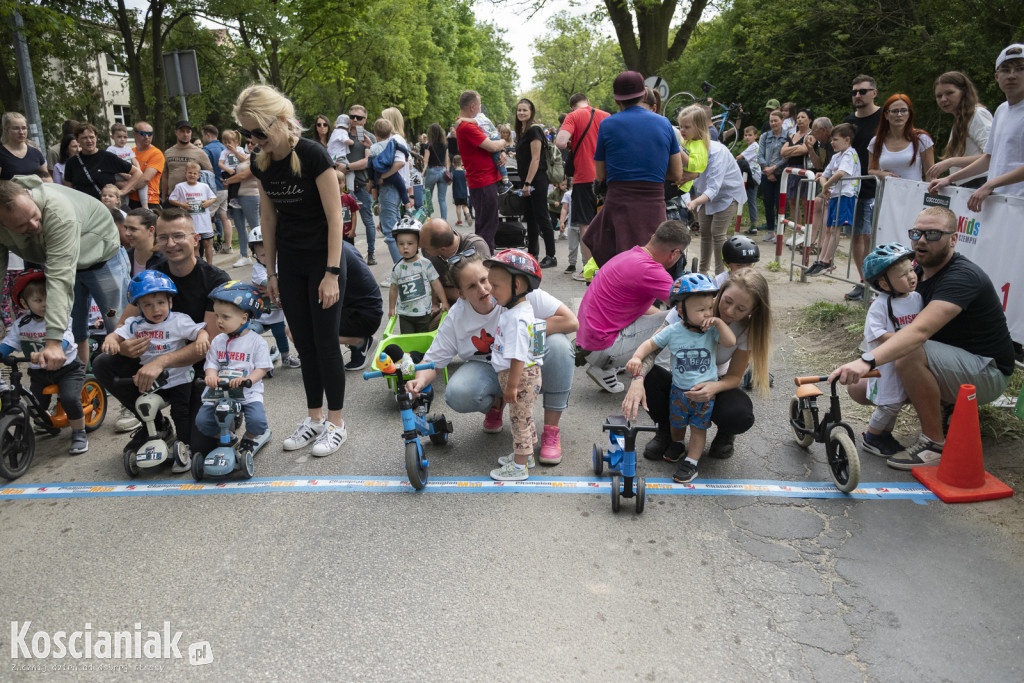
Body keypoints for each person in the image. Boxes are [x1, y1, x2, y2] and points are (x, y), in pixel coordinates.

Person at [830, 207, 1014, 470]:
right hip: (950, 361)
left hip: (987, 371)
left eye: (933, 233)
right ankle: (942, 409)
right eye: (916, 233)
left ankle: (933, 443)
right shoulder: (913, 272)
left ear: (953, 239)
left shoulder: (962, 276)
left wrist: (866, 361)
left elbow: (918, 332)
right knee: (859, 388)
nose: (922, 240)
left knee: (908, 352)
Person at [234, 84, 347, 457]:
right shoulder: (261, 162)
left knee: (326, 343)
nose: (253, 140)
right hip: (291, 263)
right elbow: (268, 216)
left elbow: (336, 217)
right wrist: (270, 270)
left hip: (323, 260)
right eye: (246, 133)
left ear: (279, 122)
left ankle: (336, 423)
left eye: (259, 132)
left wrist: (331, 272)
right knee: (304, 343)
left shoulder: (313, 154)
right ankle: (313, 418)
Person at [406, 250, 577, 464]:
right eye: (471, 286)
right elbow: (434, 360)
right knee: (457, 393)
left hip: (526, 366)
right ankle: (497, 404)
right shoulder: (456, 317)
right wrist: (419, 380)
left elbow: (571, 321)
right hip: (489, 369)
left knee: (560, 346)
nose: (484, 289)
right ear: (460, 294)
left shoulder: (520, 291)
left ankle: (551, 430)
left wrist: (524, 334)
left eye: (485, 280)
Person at [93, 208, 228, 457]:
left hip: (202, 368)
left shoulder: (215, 280)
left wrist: (159, 363)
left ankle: (224, 409)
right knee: (103, 362)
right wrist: (122, 345)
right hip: (157, 357)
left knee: (200, 446)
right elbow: (124, 324)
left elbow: (206, 344)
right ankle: (155, 425)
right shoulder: (152, 276)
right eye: (164, 237)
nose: (171, 243)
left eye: (179, 236)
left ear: (195, 239)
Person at [624, 268, 773, 461]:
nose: (729, 311)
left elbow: (735, 377)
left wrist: (714, 387)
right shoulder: (690, 307)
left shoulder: (746, 329)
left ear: (752, 311)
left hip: (715, 382)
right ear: (720, 291)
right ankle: (665, 430)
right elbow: (652, 348)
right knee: (651, 378)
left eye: (741, 309)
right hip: (681, 380)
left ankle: (725, 434)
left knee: (739, 413)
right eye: (727, 301)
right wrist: (637, 380)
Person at [0, 175, 128, 367]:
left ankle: (129, 380)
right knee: (74, 330)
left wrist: (52, 342)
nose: (35, 226)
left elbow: (59, 278)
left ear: (28, 195)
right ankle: (79, 380)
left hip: (103, 259)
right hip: (63, 262)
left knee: (119, 326)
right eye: (22, 226)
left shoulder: (58, 213)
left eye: (34, 215)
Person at [626, 273, 736, 482]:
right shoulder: (673, 330)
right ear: (680, 310)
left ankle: (692, 462)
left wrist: (719, 323)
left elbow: (729, 342)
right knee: (676, 422)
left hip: (704, 394)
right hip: (678, 390)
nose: (707, 314)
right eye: (701, 310)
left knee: (698, 428)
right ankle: (677, 444)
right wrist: (637, 357)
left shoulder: (711, 331)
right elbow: (651, 344)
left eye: (710, 308)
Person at [108, 270, 211, 471]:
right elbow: (118, 333)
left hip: (180, 377)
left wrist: (201, 337)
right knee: (145, 408)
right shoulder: (135, 324)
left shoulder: (178, 320)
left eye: (161, 303)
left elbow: (200, 330)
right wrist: (112, 340)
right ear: (138, 307)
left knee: (180, 412)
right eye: (148, 305)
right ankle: (156, 435)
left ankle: (184, 446)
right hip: (154, 381)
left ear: (170, 303)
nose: (156, 309)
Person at [576, 220, 689, 393]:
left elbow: (642, 310)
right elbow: (688, 306)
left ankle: (605, 368)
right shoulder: (652, 270)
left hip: (589, 342)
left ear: (653, 237)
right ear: (675, 254)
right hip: (603, 347)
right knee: (677, 322)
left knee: (664, 317)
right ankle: (661, 378)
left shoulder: (630, 255)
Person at [584, 71, 683, 267]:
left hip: (619, 204)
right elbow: (677, 173)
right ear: (645, 95)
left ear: (616, 99)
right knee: (650, 262)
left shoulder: (607, 125)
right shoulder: (664, 124)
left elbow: (601, 174)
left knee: (620, 263)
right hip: (653, 205)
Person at [847, 243, 922, 457]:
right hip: (886, 366)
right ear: (884, 284)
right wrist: (907, 339)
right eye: (903, 275)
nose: (911, 276)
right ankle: (872, 437)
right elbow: (877, 334)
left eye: (911, 270)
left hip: (906, 363)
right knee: (889, 405)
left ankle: (884, 435)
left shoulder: (917, 299)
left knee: (896, 404)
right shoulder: (880, 305)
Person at [0, 270, 87, 454]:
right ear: (24, 303)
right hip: (39, 373)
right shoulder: (21, 324)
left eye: (49, 298)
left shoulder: (59, 318)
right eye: (38, 300)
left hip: (67, 369)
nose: (45, 304)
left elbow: (66, 339)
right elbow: (9, 343)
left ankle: (79, 432)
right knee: (35, 404)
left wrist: (53, 351)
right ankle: (48, 423)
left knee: (70, 398)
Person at [929, 44, 1024, 208]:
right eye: (1005, 70)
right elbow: (988, 158)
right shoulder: (1002, 111)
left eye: (1020, 69)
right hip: (999, 201)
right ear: (996, 76)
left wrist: (989, 184)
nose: (1011, 76)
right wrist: (949, 179)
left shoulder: (978, 113)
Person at [483, 249, 545, 481]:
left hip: (520, 377)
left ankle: (519, 468)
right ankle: (526, 456)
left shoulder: (518, 319)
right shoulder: (517, 311)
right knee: (525, 417)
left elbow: (518, 356)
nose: (490, 290)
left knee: (518, 421)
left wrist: (510, 386)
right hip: (525, 376)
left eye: (495, 286)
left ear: (517, 286)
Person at [196, 281, 273, 462]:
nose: (219, 321)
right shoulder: (218, 341)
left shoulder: (256, 342)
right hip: (219, 392)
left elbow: (262, 367)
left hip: (247, 391)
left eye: (225, 317)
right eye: (217, 316)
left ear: (244, 318)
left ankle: (249, 439)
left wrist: (248, 380)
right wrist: (210, 375)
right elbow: (211, 363)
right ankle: (228, 438)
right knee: (203, 422)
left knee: (258, 423)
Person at [683, 107, 747, 276]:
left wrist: (695, 201)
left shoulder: (716, 151)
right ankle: (703, 273)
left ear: (699, 128)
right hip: (707, 195)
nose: (682, 130)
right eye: (680, 126)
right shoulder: (689, 146)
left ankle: (720, 275)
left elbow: (714, 187)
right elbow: (695, 173)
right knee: (705, 233)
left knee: (718, 234)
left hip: (727, 194)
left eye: (687, 127)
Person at [555, 93, 610, 263]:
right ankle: (607, 265)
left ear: (572, 107)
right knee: (606, 223)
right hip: (607, 177)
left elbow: (560, 142)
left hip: (584, 177)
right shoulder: (606, 116)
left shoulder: (572, 116)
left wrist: (572, 142)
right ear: (588, 102)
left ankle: (589, 269)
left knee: (585, 224)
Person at [843, 75, 883, 301]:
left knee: (874, 237)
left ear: (874, 92)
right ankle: (863, 282)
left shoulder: (884, 118)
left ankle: (880, 283)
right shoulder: (849, 122)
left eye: (863, 91)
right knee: (857, 238)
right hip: (854, 189)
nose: (858, 95)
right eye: (854, 92)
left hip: (879, 186)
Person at [455, 91, 507, 250]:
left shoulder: (468, 123)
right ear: (472, 106)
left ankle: (484, 261)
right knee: (487, 226)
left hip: (485, 180)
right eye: (479, 104)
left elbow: (492, 144)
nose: (480, 108)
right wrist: (504, 142)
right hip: (483, 181)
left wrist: (502, 152)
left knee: (488, 224)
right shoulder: (467, 126)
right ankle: (485, 263)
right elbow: (492, 145)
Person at [806, 123, 860, 276]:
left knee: (835, 228)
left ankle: (827, 260)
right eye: (832, 139)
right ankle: (822, 259)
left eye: (836, 139)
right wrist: (825, 187)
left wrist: (826, 185)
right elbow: (824, 174)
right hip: (835, 194)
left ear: (847, 140)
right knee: (829, 228)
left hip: (846, 195)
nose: (832, 142)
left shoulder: (850, 154)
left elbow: (840, 173)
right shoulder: (836, 156)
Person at [926, 72, 993, 188]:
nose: (943, 99)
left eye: (949, 93)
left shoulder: (977, 115)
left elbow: (992, 155)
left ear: (964, 92)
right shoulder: (959, 120)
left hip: (981, 184)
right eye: (939, 96)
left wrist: (951, 161)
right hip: (966, 186)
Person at [247, 225, 300, 369]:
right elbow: (268, 282)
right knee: (252, 333)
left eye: (271, 253)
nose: (267, 258)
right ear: (255, 254)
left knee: (281, 335)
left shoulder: (280, 265)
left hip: (276, 314)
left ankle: (285, 356)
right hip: (260, 315)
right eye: (263, 255)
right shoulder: (257, 269)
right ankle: (253, 359)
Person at [514, 98, 558, 268]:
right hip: (527, 181)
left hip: (536, 180)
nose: (521, 113)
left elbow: (536, 158)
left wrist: (527, 183)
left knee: (542, 217)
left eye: (525, 110)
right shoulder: (523, 131)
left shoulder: (534, 130)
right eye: (519, 110)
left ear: (531, 112)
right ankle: (532, 253)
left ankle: (551, 256)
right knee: (530, 218)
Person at [335, 105, 379, 264]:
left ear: (365, 120)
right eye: (352, 116)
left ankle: (371, 253)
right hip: (341, 188)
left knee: (368, 221)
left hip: (362, 186)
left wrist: (347, 167)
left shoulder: (368, 138)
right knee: (341, 222)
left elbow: (368, 162)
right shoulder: (341, 134)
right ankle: (341, 255)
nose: (354, 120)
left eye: (358, 118)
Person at [389, 219, 448, 334]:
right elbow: (393, 288)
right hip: (405, 315)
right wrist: (392, 308)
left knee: (422, 342)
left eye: (410, 243)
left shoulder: (425, 264)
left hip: (424, 313)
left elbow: (436, 283)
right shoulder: (397, 267)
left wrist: (444, 301)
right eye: (401, 244)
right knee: (408, 342)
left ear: (419, 244)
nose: (405, 247)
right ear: (396, 245)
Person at [419, 217, 490, 304]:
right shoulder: (429, 251)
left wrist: (440, 290)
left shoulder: (475, 246)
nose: (420, 246)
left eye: (425, 247)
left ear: (443, 249)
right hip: (447, 307)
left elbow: (484, 290)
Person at [64, 123, 141, 201]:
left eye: (91, 137)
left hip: (106, 206)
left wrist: (123, 191)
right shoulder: (72, 162)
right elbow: (68, 189)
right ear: (77, 140)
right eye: (84, 138)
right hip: (84, 206)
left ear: (96, 138)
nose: (89, 141)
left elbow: (137, 172)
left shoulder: (108, 157)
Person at [867, 94, 935, 182]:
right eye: (894, 111)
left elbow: (931, 175)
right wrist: (882, 174)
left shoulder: (922, 139)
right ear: (886, 115)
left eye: (903, 110)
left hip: (913, 194)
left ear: (909, 114)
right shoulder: (876, 141)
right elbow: (871, 170)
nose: (899, 115)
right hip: (886, 194)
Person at [338, 243, 384, 371]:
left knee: (305, 330)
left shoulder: (333, 253)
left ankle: (359, 342)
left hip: (363, 317)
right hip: (367, 311)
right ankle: (358, 345)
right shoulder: (342, 245)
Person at [168, 161, 217, 263]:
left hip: (205, 222)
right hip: (190, 222)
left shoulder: (204, 186)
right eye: (190, 173)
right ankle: (198, 266)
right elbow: (171, 199)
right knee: (195, 245)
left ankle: (210, 266)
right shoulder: (180, 186)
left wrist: (208, 202)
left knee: (208, 244)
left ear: (199, 175)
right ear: (185, 174)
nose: (192, 175)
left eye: (195, 173)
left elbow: (213, 197)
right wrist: (182, 205)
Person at [221, 137, 256, 267]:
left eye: (253, 142)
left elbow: (244, 175)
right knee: (240, 227)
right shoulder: (245, 156)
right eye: (248, 142)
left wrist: (227, 181)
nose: (250, 144)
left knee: (255, 227)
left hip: (251, 194)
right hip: (237, 195)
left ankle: (264, 255)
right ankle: (244, 255)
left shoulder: (258, 157)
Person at [161, 120, 213, 205]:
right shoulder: (168, 152)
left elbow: (209, 175)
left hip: (193, 199)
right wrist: (163, 197)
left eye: (188, 132)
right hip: (172, 198)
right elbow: (165, 176)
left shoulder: (199, 153)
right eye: (182, 131)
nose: (185, 134)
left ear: (191, 133)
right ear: (176, 132)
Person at [202, 125, 234, 256]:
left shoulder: (206, 150)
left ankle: (208, 248)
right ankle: (228, 246)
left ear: (208, 135)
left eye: (203, 135)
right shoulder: (225, 147)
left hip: (214, 188)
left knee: (206, 217)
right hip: (226, 187)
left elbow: (206, 170)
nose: (203, 138)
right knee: (224, 217)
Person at [753, 110, 786, 238]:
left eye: (775, 120)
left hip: (781, 174)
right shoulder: (765, 136)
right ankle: (770, 230)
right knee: (768, 202)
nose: (773, 123)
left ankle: (780, 231)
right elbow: (760, 155)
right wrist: (767, 170)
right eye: (771, 121)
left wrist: (774, 168)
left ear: (782, 121)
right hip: (766, 173)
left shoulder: (787, 136)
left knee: (780, 203)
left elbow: (787, 157)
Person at [126, 121, 164, 211]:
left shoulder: (156, 153)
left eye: (150, 134)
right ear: (135, 134)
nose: (147, 137)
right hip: (130, 199)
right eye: (143, 133)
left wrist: (125, 189)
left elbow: (145, 179)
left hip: (149, 200)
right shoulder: (129, 152)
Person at [0, 112, 49, 181]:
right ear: (5, 130)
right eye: (16, 128)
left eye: (24, 128)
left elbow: (48, 181)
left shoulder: (36, 153)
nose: (21, 132)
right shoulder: (1, 154)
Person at [124, 207, 166, 276]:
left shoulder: (165, 260)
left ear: (151, 230)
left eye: (133, 229)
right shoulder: (125, 256)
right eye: (126, 228)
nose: (127, 233)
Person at [422, 123, 450, 221]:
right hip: (442, 171)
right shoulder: (445, 145)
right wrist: (448, 172)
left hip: (432, 171)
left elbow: (425, 161)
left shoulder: (428, 145)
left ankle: (427, 220)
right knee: (442, 199)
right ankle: (444, 221)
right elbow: (446, 161)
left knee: (427, 198)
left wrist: (422, 173)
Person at [736, 126, 762, 231]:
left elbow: (739, 158)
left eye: (750, 135)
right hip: (754, 175)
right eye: (746, 135)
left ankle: (753, 224)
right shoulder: (753, 146)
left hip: (752, 176)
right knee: (750, 200)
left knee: (750, 200)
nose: (747, 137)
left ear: (755, 136)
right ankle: (753, 224)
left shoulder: (753, 146)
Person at [327, 113, 355, 189]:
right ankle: (350, 191)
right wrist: (352, 142)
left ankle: (342, 190)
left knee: (339, 176)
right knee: (350, 172)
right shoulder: (343, 131)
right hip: (340, 158)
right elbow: (346, 141)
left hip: (333, 158)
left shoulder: (334, 132)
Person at [336, 170, 361, 246]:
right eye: (334, 183)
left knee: (350, 252)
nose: (337, 185)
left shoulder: (349, 199)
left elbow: (353, 214)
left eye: (339, 183)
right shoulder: (328, 200)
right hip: (335, 234)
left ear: (344, 183)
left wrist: (352, 230)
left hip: (347, 233)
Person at [451, 155, 470, 226]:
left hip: (456, 193)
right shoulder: (465, 172)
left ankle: (459, 221)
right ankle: (468, 215)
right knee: (465, 206)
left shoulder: (453, 173)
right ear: (461, 162)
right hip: (464, 192)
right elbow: (468, 183)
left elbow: (450, 182)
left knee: (458, 206)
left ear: (453, 163)